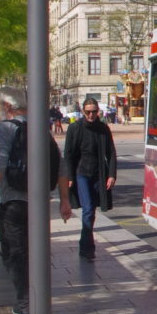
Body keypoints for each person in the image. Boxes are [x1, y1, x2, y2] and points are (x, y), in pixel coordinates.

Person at [0, 87, 72, 314]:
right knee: (33, 255)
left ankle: (27, 310)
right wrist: (65, 200)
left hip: (12, 203)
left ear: (7, 107)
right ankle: (31, 304)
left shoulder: (6, 128)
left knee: (15, 256)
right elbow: (61, 165)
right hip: (38, 204)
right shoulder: (40, 129)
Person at [64, 98, 117, 262]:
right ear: (83, 111)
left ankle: (84, 243)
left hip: (98, 174)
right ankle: (88, 248)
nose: (91, 115)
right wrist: (69, 177)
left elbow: (111, 153)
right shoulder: (75, 128)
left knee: (92, 211)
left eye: (94, 111)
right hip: (81, 173)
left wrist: (112, 174)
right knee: (87, 209)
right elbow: (68, 155)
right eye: (88, 111)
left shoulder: (103, 129)